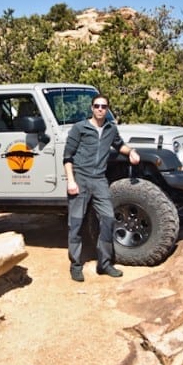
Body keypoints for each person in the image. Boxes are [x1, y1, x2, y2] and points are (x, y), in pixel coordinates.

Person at [62, 94, 140, 282]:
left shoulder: (110, 129)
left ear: (107, 109)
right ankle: (76, 265)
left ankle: (104, 263)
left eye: (103, 106)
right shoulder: (80, 128)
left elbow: (119, 145)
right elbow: (67, 157)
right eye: (97, 106)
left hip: (99, 180)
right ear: (91, 108)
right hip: (80, 177)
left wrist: (132, 152)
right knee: (76, 223)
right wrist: (71, 181)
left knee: (108, 219)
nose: (100, 109)